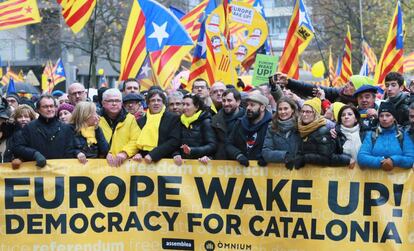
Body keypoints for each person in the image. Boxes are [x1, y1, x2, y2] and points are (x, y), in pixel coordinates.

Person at [13, 94, 75, 167]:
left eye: (51, 106)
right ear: (38, 109)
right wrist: (34, 154)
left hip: (61, 173)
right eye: (45, 107)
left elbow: (71, 151)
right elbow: (18, 148)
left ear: (55, 108)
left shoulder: (66, 128)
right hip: (36, 173)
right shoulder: (29, 127)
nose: (49, 109)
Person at [296, 97, 352, 168]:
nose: (304, 114)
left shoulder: (322, 131)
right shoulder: (301, 128)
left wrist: (304, 158)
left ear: (315, 114)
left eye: (308, 112)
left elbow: (326, 158)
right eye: (302, 111)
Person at [358, 102, 414, 170]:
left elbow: (411, 158)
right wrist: (381, 161)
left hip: (397, 180)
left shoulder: (403, 135)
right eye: (381, 116)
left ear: (394, 118)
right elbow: (361, 157)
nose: (384, 118)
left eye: (388, 115)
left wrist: (393, 160)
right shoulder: (371, 135)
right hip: (374, 180)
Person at [134, 89, 181, 163]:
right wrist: (140, 153)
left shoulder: (173, 118)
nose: (156, 103)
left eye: (159, 100)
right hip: (144, 162)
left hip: (166, 162)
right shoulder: (140, 121)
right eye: (153, 100)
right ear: (148, 104)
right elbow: (137, 141)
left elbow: (173, 141)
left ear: (163, 103)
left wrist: (153, 155)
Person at [226, 92, 272, 167]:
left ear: (262, 107)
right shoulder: (239, 123)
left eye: (252, 105)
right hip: (241, 172)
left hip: (264, 173)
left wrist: (266, 157)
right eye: (247, 105)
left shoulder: (271, 125)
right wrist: (238, 155)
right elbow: (228, 144)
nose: (248, 108)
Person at [99, 88, 140, 167]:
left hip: (123, 165)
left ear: (121, 103)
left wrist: (125, 153)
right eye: (110, 101)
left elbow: (136, 139)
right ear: (103, 103)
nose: (114, 103)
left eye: (117, 101)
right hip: (99, 166)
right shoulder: (96, 118)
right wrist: (105, 153)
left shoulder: (130, 118)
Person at [173, 93, 216, 165]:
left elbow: (212, 145)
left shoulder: (205, 121)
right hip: (183, 165)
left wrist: (192, 150)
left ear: (196, 107)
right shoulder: (179, 121)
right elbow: (174, 142)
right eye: (183, 104)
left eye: (187, 105)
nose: (184, 107)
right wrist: (176, 154)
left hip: (200, 163)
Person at [272, 72, 357, 106]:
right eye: (348, 82)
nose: (346, 85)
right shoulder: (338, 92)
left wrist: (323, 100)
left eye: (351, 84)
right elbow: (311, 88)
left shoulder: (363, 108)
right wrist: (289, 82)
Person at [262, 97, 301, 169]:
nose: (283, 112)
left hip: (300, 171)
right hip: (279, 172)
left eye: (286, 108)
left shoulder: (301, 126)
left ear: (292, 110)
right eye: (280, 109)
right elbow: (266, 152)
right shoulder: (272, 127)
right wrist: (285, 156)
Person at [211, 88, 244, 160]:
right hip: (221, 163)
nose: (226, 104)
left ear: (238, 102)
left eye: (229, 100)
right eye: (223, 101)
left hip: (242, 160)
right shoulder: (215, 120)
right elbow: (213, 143)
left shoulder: (247, 119)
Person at [333, 105, 366, 169]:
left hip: (364, 174)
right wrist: (347, 160)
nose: (346, 117)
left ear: (356, 119)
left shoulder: (366, 133)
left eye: (350, 114)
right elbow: (330, 156)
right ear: (340, 119)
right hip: (342, 175)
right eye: (343, 115)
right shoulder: (335, 134)